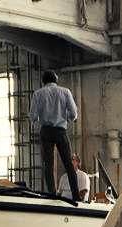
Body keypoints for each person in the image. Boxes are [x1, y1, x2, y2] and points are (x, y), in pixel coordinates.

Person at [29, 70, 80, 201]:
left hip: (46, 131)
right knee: (68, 164)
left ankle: (52, 193)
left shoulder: (38, 94)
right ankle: (76, 196)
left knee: (48, 164)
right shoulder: (65, 92)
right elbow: (74, 113)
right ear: (56, 80)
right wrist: (68, 119)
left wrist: (41, 116)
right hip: (60, 130)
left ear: (43, 81)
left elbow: (33, 117)